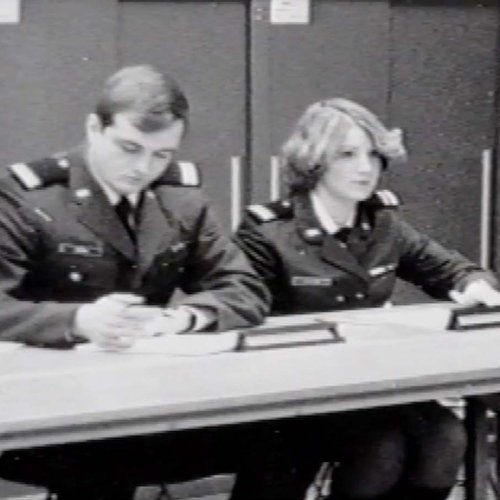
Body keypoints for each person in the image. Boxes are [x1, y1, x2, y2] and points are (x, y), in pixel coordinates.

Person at [0, 65, 270, 499]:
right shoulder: (27, 196)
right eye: (128, 148)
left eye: (161, 154)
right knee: (103, 467)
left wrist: (183, 318)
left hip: (146, 400)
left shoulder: (180, 199)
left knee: (291, 439)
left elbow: (246, 288)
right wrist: (79, 321)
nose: (142, 167)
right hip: (50, 412)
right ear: (94, 127)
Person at [235, 98, 500, 500]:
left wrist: (476, 286)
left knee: (446, 439)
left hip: (371, 383)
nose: (365, 167)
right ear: (315, 160)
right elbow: (241, 309)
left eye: (374, 154)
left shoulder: (382, 223)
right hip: (300, 391)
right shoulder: (270, 232)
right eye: (348, 154)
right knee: (382, 450)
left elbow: (450, 269)